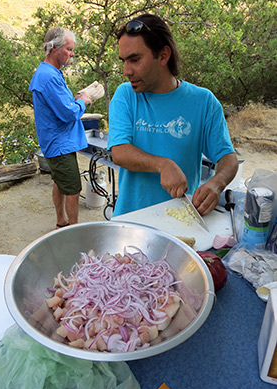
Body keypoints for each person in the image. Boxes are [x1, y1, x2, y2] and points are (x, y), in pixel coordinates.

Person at [107, 13, 238, 217]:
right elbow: (120, 152)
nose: (126, 70)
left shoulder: (203, 101)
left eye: (134, 60)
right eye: (123, 61)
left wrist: (217, 184)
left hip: (181, 220)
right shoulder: (126, 96)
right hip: (131, 220)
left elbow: (228, 158)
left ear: (163, 56)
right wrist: (162, 164)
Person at [29, 27, 92, 228]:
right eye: (69, 49)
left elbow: (59, 106)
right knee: (73, 189)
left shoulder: (48, 72)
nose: (72, 54)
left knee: (59, 182)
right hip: (60, 145)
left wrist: (74, 101)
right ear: (54, 49)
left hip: (55, 142)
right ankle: (72, 231)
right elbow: (68, 114)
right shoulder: (49, 76)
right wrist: (83, 101)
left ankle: (61, 221)